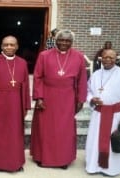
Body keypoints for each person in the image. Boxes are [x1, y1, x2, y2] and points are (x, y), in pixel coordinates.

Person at [31, 29, 87, 169]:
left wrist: (81, 99)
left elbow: (82, 80)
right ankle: (41, 157)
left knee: (64, 130)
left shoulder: (79, 56)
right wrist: (39, 97)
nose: (64, 43)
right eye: (61, 40)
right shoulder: (44, 55)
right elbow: (37, 77)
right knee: (44, 128)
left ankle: (63, 159)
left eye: (67, 40)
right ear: (55, 40)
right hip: (47, 96)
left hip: (68, 97)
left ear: (72, 42)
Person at [0, 35, 31, 172]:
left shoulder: (22, 63)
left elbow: (25, 85)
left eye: (12, 45)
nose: (9, 47)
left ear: (17, 46)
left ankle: (15, 162)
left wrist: (26, 105)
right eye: (6, 45)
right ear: (1, 46)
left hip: (16, 103)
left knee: (14, 134)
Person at [85, 49, 120, 176]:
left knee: (113, 142)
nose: (108, 60)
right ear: (101, 58)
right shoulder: (96, 74)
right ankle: (94, 166)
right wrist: (91, 99)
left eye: (111, 57)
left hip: (117, 115)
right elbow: (88, 90)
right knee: (95, 141)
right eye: (105, 57)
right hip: (98, 115)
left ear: (116, 59)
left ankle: (111, 169)